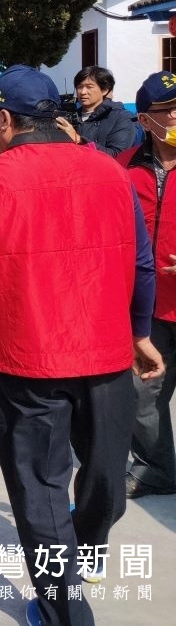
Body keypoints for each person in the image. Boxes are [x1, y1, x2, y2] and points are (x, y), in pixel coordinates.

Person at [0, 65, 163, 626]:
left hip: (27, 363)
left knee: (41, 491)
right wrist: (141, 332)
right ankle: (81, 548)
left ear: (5, 120)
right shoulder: (111, 172)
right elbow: (141, 262)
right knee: (104, 478)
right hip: (105, 358)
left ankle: (63, 610)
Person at [118, 71, 176, 500]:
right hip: (151, 309)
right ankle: (157, 469)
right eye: (167, 111)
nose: (175, 116)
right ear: (144, 119)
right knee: (144, 394)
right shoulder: (124, 168)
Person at [55, 65, 137, 156]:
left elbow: (118, 155)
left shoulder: (122, 117)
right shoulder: (70, 116)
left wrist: (79, 140)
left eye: (89, 87)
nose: (82, 92)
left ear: (104, 90)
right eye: (79, 87)